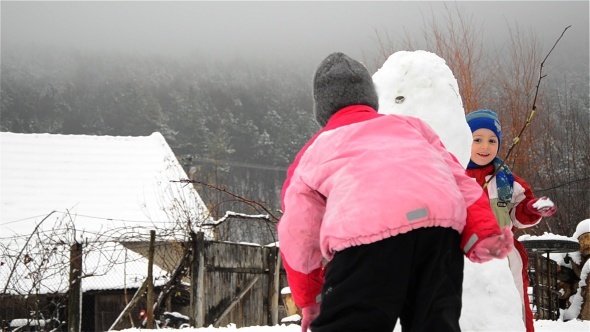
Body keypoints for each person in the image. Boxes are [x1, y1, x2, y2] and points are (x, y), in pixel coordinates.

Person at [277, 52, 514, 332]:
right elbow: (459, 180)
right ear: (371, 99)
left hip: (366, 238)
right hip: (438, 231)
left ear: (323, 111)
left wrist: (311, 298)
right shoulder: (413, 127)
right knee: (434, 325)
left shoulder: (315, 150)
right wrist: (483, 231)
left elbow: (299, 232)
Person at [465, 109, 557, 332]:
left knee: (513, 304)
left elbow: (518, 214)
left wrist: (532, 209)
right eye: (477, 139)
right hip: (465, 255)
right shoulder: (454, 175)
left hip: (503, 256)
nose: (485, 146)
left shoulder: (507, 180)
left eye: (491, 140)